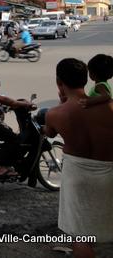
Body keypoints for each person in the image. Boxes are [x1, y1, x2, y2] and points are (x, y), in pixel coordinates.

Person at [43, 58, 113, 258]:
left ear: (59, 83)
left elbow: (48, 133)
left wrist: (61, 102)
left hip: (78, 175)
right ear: (86, 79)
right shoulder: (108, 106)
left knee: (81, 234)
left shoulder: (55, 113)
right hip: (109, 169)